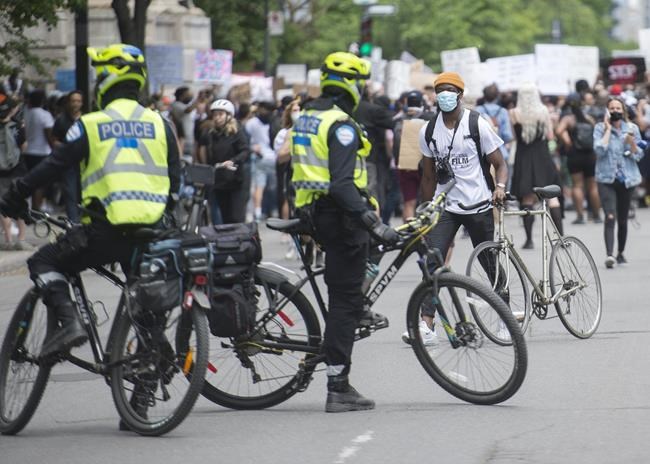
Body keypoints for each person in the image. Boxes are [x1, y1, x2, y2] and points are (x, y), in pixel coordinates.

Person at [0, 43, 180, 361]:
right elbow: (175, 179)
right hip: (153, 232)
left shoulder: (93, 124)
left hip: (106, 230)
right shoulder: (161, 125)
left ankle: (69, 323)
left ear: (107, 79)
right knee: (140, 294)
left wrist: (16, 194)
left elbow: (53, 165)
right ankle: (149, 371)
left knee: (44, 262)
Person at [290, 51, 398, 412]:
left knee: (351, 287)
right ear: (352, 85)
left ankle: (356, 315)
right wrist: (373, 222)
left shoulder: (307, 116)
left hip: (313, 213)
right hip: (339, 219)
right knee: (344, 302)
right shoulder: (342, 125)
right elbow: (340, 184)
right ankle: (338, 385)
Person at [403, 71, 508, 346]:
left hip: (478, 204)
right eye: (440, 91)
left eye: (450, 91)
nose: (444, 96)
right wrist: (425, 210)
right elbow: (427, 176)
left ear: (460, 95)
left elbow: (500, 163)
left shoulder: (477, 124)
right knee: (433, 262)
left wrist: (500, 187)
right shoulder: (428, 130)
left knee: (489, 263)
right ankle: (427, 324)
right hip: (446, 206)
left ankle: (504, 317)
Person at [509, 82, 563, 249]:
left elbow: (515, 137)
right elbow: (550, 135)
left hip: (523, 157)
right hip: (542, 156)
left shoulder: (513, 113)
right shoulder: (544, 111)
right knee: (552, 198)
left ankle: (529, 239)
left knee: (527, 198)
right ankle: (560, 237)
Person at [593, 97, 644, 268]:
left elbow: (638, 156)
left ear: (623, 110)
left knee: (622, 219)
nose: (615, 111)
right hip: (606, 179)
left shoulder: (632, 129)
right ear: (607, 111)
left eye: (618, 108)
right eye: (612, 108)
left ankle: (620, 253)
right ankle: (609, 255)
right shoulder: (599, 128)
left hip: (627, 180)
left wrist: (633, 145)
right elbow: (599, 151)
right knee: (610, 216)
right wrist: (607, 130)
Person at [197, 99, 250, 224]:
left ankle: (239, 242)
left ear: (228, 115)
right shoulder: (210, 133)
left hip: (236, 181)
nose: (217, 118)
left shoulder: (237, 131)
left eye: (220, 114)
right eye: (215, 115)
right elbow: (202, 150)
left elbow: (245, 151)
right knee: (224, 218)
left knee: (236, 218)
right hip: (219, 181)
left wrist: (233, 161)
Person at [555, 93, 601, 224]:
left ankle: (580, 216)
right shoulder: (588, 118)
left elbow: (558, 131)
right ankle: (597, 215)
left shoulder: (568, 119)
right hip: (590, 155)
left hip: (575, 155)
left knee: (577, 185)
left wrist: (567, 141)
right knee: (593, 186)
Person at [393, 90, 433, 221]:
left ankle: (410, 234)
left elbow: (395, 146)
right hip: (426, 165)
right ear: (422, 103)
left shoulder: (399, 120)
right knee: (427, 202)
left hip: (406, 164)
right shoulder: (430, 118)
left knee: (409, 202)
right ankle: (426, 234)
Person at [0, 93, 31, 250]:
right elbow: (24, 147)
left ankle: (7, 239)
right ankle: (21, 238)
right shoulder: (18, 125)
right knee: (20, 201)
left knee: (2, 203)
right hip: (17, 168)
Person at [52, 90, 84, 223]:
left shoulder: (87, 119)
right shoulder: (61, 120)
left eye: (78, 101)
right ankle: (74, 225)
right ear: (68, 102)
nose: (75, 104)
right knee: (70, 194)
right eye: (73, 101)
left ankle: (85, 222)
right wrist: (65, 148)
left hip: (84, 163)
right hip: (68, 163)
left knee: (84, 195)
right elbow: (54, 140)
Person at [22, 89, 55, 211]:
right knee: (41, 183)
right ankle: (37, 209)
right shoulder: (45, 115)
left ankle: (31, 208)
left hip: (28, 151)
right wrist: (55, 149)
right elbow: (49, 135)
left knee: (31, 182)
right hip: (42, 152)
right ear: (42, 100)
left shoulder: (27, 113)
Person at [245, 101, 277, 221]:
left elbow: (246, 138)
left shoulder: (252, 122)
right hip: (274, 157)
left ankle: (258, 212)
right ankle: (273, 210)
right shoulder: (275, 120)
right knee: (274, 187)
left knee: (259, 186)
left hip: (259, 156)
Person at [476, 84, 513, 175]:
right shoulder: (503, 111)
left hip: (481, 152)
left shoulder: (477, 110)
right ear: (497, 96)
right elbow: (507, 135)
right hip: (500, 152)